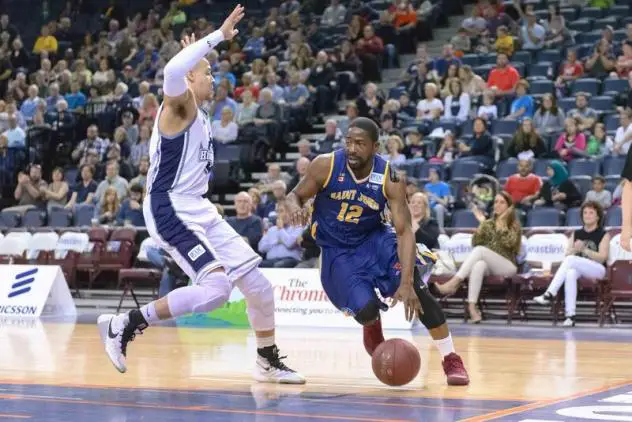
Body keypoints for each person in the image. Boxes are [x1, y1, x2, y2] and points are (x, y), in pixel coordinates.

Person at [97, 6, 304, 385]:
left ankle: (267, 361)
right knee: (216, 290)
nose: (215, 77)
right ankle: (123, 323)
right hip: (169, 205)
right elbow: (173, 72)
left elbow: (184, 69)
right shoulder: (180, 104)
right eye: (208, 72)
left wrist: (196, 56)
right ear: (191, 78)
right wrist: (217, 38)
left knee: (258, 287)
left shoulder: (202, 113)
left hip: (199, 208)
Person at [285, 117, 469, 386]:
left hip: (374, 240)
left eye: (360, 143)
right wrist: (295, 209)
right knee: (367, 309)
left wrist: (405, 283)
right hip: (338, 251)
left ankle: (451, 357)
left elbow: (405, 231)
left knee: (419, 292)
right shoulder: (326, 164)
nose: (352, 148)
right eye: (349, 142)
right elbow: (294, 196)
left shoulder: (389, 176)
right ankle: (371, 322)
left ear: (374, 147)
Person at [534, 201, 609, 327]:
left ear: (598, 217)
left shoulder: (603, 234)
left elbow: (602, 258)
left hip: (597, 269)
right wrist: (574, 250)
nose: (587, 215)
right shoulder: (576, 233)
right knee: (570, 273)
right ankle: (570, 315)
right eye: (585, 213)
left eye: (591, 213)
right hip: (578, 267)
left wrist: (584, 250)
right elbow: (568, 254)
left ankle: (549, 293)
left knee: (571, 261)